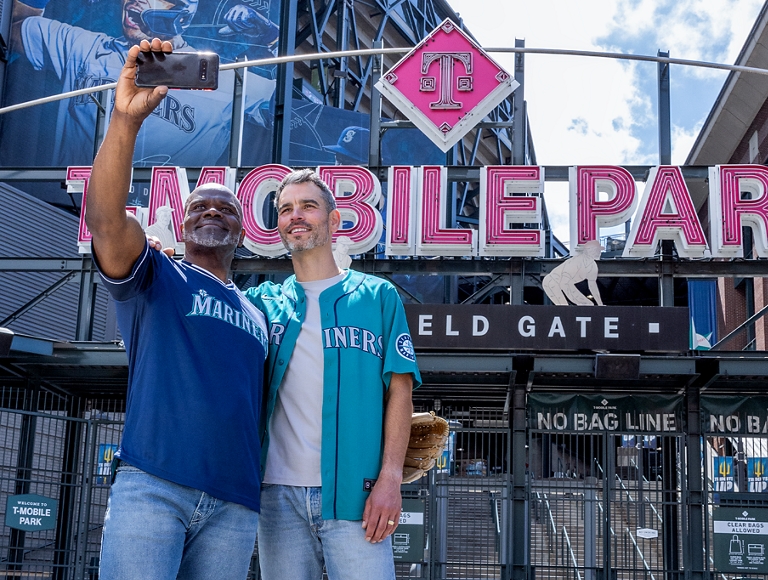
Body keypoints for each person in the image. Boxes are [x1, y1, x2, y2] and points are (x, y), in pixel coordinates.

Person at [86, 38, 268, 579]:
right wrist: (126, 122)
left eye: (226, 208)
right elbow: (105, 221)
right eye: (200, 207)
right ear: (182, 226)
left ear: (242, 230)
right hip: (154, 487)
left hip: (236, 506)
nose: (212, 210)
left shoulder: (258, 313)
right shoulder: (158, 274)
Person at [244, 169, 421, 580]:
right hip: (276, 496)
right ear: (279, 225)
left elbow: (400, 391)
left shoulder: (378, 297)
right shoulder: (260, 302)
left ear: (335, 220)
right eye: (286, 209)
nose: (296, 215)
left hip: (357, 497)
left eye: (308, 205)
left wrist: (391, 479)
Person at [8, 0, 277, 166]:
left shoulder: (218, 75)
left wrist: (270, 37)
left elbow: (296, 109)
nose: (135, 1)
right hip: (74, 212)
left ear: (182, 14)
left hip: (165, 223)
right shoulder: (83, 47)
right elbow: (12, 24)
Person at [542, 239, 604, 306]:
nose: (599, 252)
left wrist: (600, 304)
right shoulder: (576, 262)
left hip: (567, 283)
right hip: (551, 281)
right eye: (596, 250)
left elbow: (593, 286)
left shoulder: (593, 266)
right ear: (589, 250)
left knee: (588, 304)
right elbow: (564, 283)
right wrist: (577, 300)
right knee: (564, 308)